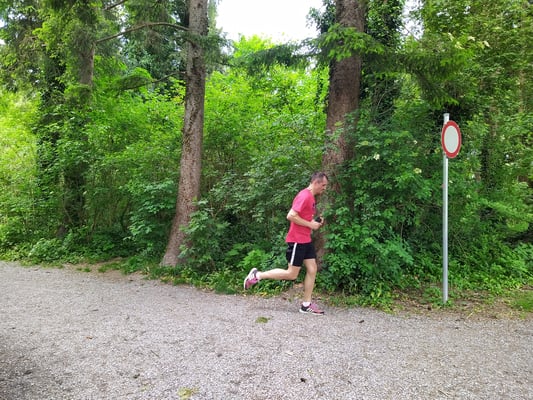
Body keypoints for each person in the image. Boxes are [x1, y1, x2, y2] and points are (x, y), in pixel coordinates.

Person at [243, 172, 328, 315]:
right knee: (291, 274)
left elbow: (302, 218)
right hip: (297, 240)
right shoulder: (304, 196)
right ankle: (257, 275)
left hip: (306, 239)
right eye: (323, 185)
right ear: (316, 183)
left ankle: (306, 305)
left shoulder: (311, 197)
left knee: (312, 269)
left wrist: (314, 222)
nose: (325, 188)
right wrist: (310, 225)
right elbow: (291, 215)